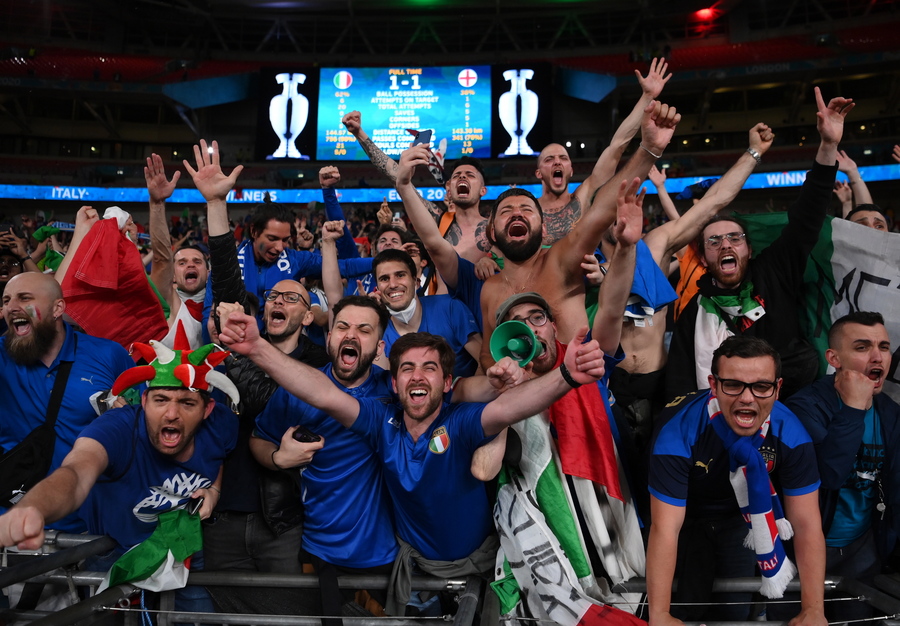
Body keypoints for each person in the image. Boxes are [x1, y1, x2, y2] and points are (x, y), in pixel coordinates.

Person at [218, 304, 606, 609]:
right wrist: (257, 348)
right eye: (407, 368)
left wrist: (566, 376)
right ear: (394, 382)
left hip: (478, 568)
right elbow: (323, 393)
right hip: (412, 568)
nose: (417, 376)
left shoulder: (459, 423)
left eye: (429, 368)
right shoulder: (379, 420)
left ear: (447, 382)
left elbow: (508, 408)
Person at [0, 334, 239, 617]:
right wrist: (33, 509)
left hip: (180, 545)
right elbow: (76, 473)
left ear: (207, 409)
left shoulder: (222, 424)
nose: (171, 414)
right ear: (144, 400)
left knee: (197, 619)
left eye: (187, 403)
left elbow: (220, 454)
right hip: (115, 552)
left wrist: (214, 490)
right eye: (161, 400)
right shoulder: (118, 428)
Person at [665, 87, 854, 401]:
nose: (725, 245)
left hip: (789, 410)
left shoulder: (774, 272)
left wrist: (828, 146)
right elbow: (679, 386)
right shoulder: (693, 313)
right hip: (721, 419)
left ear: (749, 250)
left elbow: (806, 219)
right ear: (704, 257)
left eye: (734, 238)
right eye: (714, 240)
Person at [479, 99, 681, 369]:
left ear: (543, 228)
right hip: (522, 393)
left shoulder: (561, 257)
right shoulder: (490, 289)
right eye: (506, 211)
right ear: (492, 232)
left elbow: (601, 209)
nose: (517, 213)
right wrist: (494, 380)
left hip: (579, 375)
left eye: (526, 209)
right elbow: (486, 357)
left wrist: (649, 150)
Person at [647, 336, 826, 626]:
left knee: (734, 612)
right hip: (683, 517)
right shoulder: (677, 430)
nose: (747, 398)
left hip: (741, 520)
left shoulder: (790, 432)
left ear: (778, 388)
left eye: (761, 386)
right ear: (713, 385)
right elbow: (665, 528)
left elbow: (806, 523)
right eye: (732, 385)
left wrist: (814, 610)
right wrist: (659, 615)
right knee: (680, 608)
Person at [184, 139, 371, 336]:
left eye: (285, 240)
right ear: (254, 232)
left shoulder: (296, 260)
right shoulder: (228, 266)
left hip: (279, 349)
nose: (280, 247)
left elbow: (345, 266)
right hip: (236, 348)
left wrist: (386, 261)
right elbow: (209, 315)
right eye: (272, 238)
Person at [785, 311, 899, 624]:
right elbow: (828, 475)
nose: (877, 356)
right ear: (834, 358)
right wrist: (852, 408)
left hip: (863, 552)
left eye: (884, 347)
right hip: (801, 552)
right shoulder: (804, 407)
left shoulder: (890, 413)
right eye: (862, 347)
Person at [0, 272, 134, 533]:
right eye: (6, 301)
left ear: (57, 308)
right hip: (14, 524)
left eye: (24, 298)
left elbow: (144, 423)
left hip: (92, 525)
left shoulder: (108, 355)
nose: (11, 307)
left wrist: (126, 417)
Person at [535, 58, 670, 244]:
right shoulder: (529, 209)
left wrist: (647, 97)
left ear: (571, 170)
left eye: (563, 158)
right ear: (538, 173)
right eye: (549, 159)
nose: (557, 161)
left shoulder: (584, 197)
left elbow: (617, 147)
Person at [341, 110, 492, 264]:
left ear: (483, 190)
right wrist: (359, 133)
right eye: (456, 175)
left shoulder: (495, 228)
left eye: (470, 175)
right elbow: (396, 175)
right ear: (449, 189)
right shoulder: (439, 220)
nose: (462, 177)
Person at [370, 248, 481, 377]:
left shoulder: (450, 308)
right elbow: (386, 385)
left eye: (400, 275)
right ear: (377, 289)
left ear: (416, 282)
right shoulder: (379, 333)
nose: (393, 284)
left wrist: (461, 388)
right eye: (384, 279)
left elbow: (485, 361)